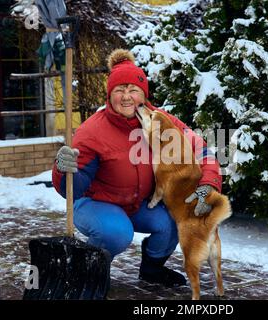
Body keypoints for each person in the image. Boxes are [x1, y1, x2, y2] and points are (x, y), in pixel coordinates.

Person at [52, 49, 222, 288]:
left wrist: (208, 184)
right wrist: (63, 169)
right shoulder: (92, 132)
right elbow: (74, 190)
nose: (126, 97)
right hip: (96, 203)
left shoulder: (162, 121)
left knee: (175, 219)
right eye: (119, 90)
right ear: (110, 95)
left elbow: (200, 150)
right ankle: (91, 268)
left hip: (137, 203)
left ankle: (152, 269)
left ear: (144, 94)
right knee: (117, 233)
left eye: (133, 90)